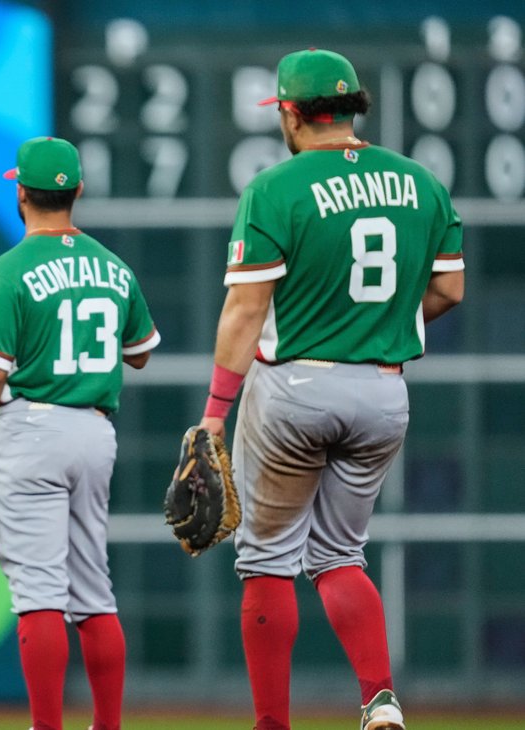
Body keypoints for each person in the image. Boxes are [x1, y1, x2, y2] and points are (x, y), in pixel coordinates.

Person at [195, 48, 464, 730]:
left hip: (296, 389)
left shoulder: (276, 188)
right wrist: (382, 322)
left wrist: (215, 414)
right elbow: (450, 290)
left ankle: (271, 724)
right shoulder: (420, 183)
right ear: (353, 108)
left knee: (266, 560)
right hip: (382, 393)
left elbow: (245, 312)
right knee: (341, 555)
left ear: (290, 110)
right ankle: (380, 700)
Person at [0, 136, 160, 730]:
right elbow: (139, 354)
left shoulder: (12, 270)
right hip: (95, 432)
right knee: (93, 593)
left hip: (31, 429)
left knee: (38, 594)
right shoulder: (112, 265)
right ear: (76, 191)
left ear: (21, 194)